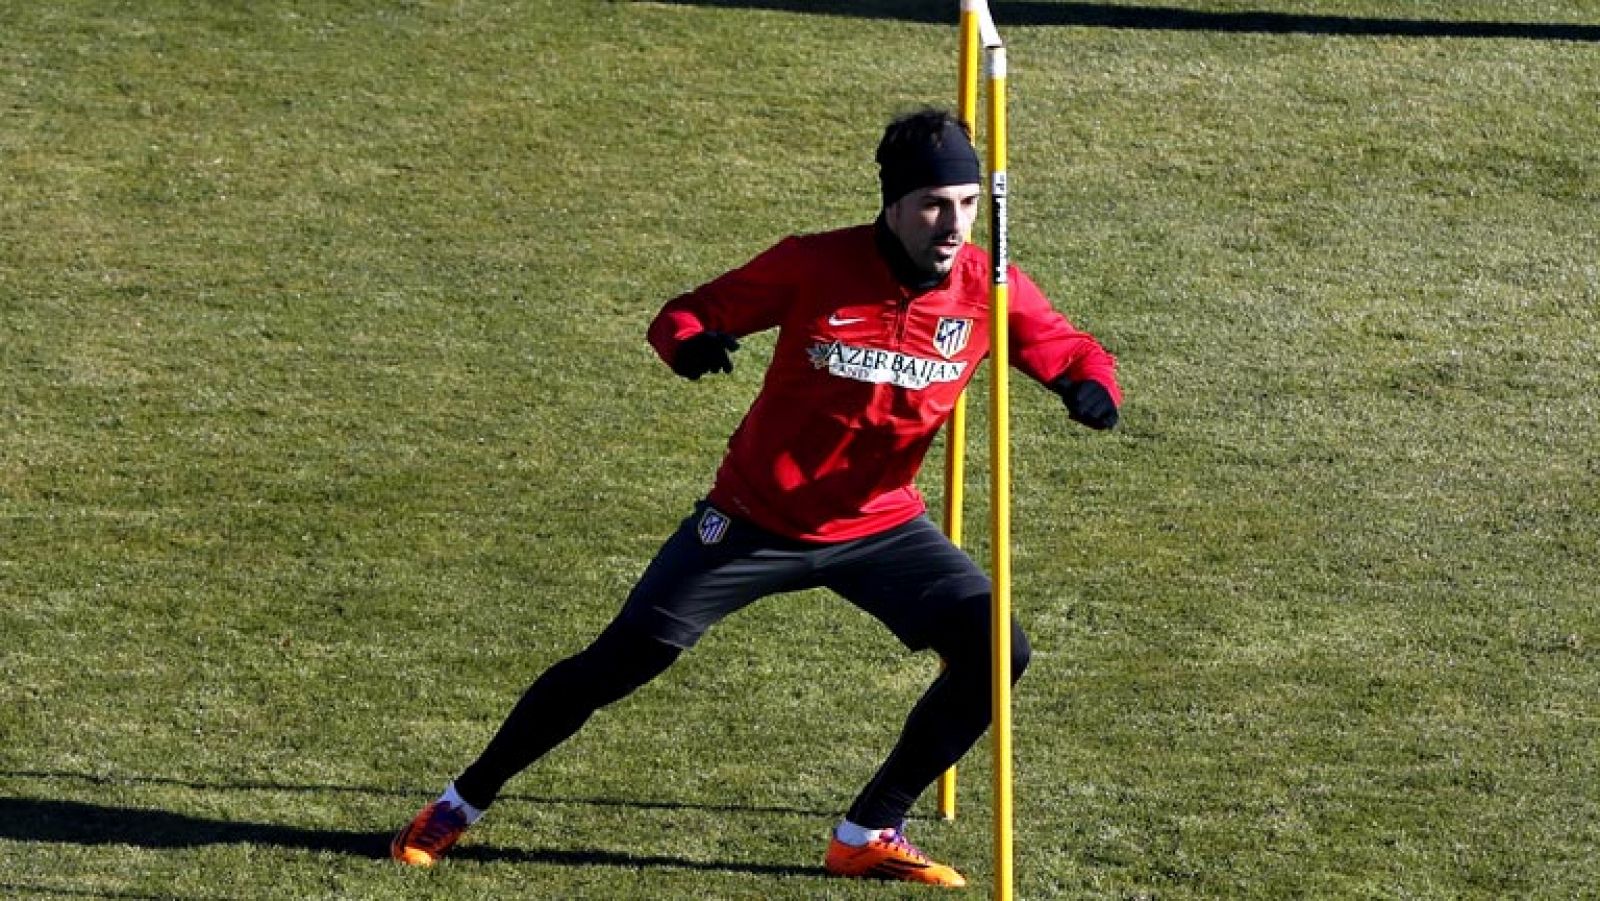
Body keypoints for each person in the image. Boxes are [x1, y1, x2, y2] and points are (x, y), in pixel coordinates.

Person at [391, 107, 1121, 888]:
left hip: (882, 525)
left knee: (996, 649)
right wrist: (690, 344)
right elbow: (686, 312)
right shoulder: (814, 263)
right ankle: (460, 802)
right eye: (936, 204)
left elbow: (1069, 347)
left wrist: (1089, 384)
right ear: (893, 203)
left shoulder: (987, 284)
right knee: (617, 663)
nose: (954, 224)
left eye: (969, 204)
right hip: (751, 520)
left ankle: (868, 829)